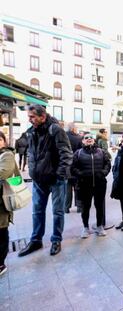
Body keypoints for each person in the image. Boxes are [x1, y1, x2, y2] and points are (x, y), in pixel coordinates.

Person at [18, 104, 72, 257]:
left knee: (58, 211)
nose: (30, 120)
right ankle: (36, 240)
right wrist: (32, 171)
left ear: (42, 116)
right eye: (29, 117)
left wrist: (59, 175)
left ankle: (56, 240)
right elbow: (32, 153)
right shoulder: (31, 131)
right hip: (38, 180)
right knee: (37, 211)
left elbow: (67, 155)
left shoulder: (55, 130)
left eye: (32, 117)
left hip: (55, 180)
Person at [72, 134, 111, 238]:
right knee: (85, 207)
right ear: (83, 141)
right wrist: (81, 174)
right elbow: (73, 167)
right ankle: (85, 228)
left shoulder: (101, 152)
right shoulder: (78, 153)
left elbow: (108, 164)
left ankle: (99, 226)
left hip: (100, 184)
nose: (89, 139)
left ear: (94, 140)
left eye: (91, 137)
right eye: (86, 138)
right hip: (84, 184)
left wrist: (103, 172)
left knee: (99, 206)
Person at [0, 131, 17, 276]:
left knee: (1, 230)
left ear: (4, 141)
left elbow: (3, 173)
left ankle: (1, 263)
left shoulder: (7, 155)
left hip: (2, 200)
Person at [65, 122, 83, 213]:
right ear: (73, 128)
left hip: (66, 165)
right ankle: (79, 207)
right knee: (77, 187)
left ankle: (66, 207)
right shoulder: (79, 138)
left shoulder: (63, 137)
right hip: (76, 165)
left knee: (67, 187)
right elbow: (81, 152)